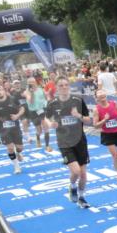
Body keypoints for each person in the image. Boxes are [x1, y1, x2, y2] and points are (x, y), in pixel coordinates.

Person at [44, 78, 93, 209]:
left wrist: (78, 115)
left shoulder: (78, 100)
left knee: (83, 174)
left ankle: (81, 197)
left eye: (66, 85)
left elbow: (88, 120)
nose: (64, 87)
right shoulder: (53, 103)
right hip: (64, 142)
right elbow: (46, 118)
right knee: (76, 171)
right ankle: (72, 186)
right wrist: (50, 124)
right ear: (57, 88)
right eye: (61, 85)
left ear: (69, 86)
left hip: (80, 140)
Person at [92, 89, 117, 184]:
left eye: (102, 92)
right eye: (99, 93)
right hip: (108, 135)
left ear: (106, 94)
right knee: (115, 156)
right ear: (97, 98)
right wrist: (104, 120)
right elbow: (95, 125)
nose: (102, 94)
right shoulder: (96, 110)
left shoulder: (114, 103)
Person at [0, 85, 25, 173]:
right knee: (10, 148)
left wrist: (17, 115)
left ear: (4, 91)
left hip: (15, 128)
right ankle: (16, 166)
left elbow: (22, 108)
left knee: (19, 147)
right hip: (3, 129)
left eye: (0, 90)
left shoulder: (12, 99)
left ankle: (19, 153)